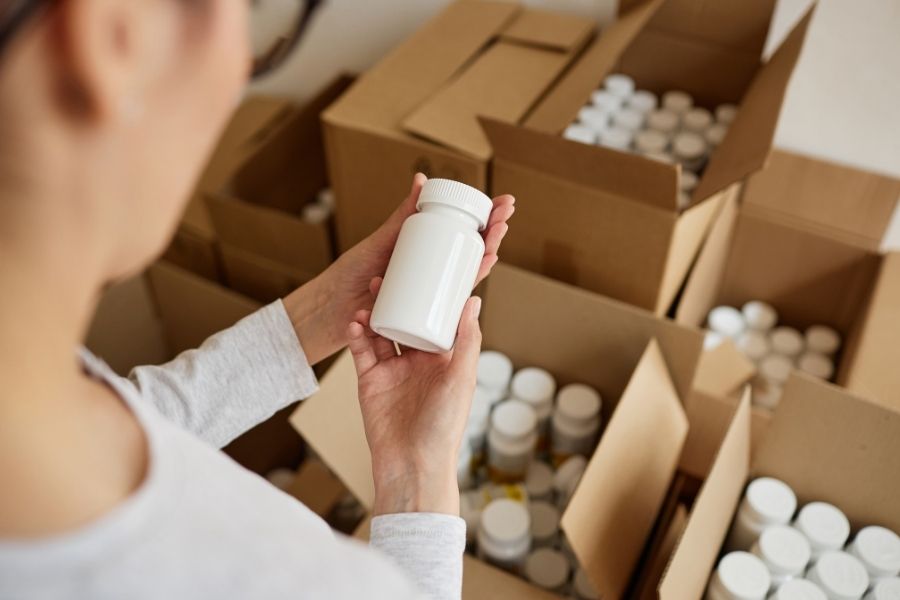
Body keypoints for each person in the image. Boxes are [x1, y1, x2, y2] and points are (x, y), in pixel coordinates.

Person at [0, 1, 515, 598]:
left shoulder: (37, 396)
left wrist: (318, 315)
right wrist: (417, 478)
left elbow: (129, 421)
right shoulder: (277, 578)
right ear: (113, 33)